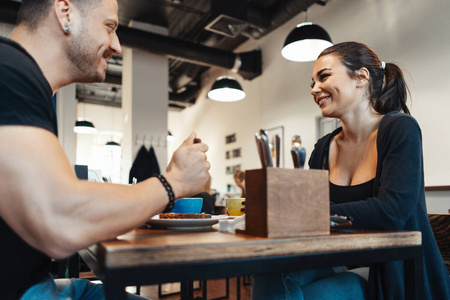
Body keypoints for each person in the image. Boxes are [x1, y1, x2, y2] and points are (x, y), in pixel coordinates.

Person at [0, 0, 210, 299]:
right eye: (109, 27)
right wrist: (174, 182)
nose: (117, 46)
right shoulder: (9, 70)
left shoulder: (25, 81)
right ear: (65, 11)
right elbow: (60, 221)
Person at [252, 42, 450, 299]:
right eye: (311, 83)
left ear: (361, 77)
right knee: (267, 272)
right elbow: (307, 215)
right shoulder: (323, 148)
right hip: (344, 258)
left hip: (396, 269)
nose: (314, 89)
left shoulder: (400, 128)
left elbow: (392, 211)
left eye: (323, 76)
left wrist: (307, 213)